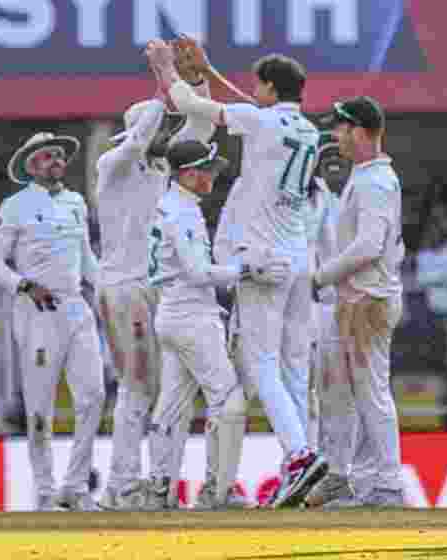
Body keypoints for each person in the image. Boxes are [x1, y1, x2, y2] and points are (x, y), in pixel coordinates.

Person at [144, 37, 327, 508]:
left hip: (260, 256)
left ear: (268, 86)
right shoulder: (305, 129)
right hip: (296, 257)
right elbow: (256, 111)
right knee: (289, 366)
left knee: (261, 364)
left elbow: (187, 102)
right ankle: (299, 460)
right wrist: (212, 68)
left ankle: (300, 456)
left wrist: (169, 69)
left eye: (256, 86)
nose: (252, 92)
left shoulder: (260, 121)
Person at [94, 59, 217, 510]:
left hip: (157, 288)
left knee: (170, 390)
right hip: (124, 287)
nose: (167, 135)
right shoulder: (113, 164)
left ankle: (158, 485)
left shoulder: (164, 169)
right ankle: (122, 486)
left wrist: (193, 79)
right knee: (136, 386)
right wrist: (163, 84)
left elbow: (201, 121)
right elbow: (146, 133)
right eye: (162, 125)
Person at [142, 140, 285, 509]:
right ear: (188, 173)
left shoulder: (170, 205)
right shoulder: (182, 213)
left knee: (171, 406)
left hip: (174, 315)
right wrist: (245, 271)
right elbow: (197, 272)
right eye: (207, 169)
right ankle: (218, 492)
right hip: (191, 318)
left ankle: (159, 488)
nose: (212, 176)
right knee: (230, 401)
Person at [0, 132, 106, 511]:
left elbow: (87, 259)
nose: (56, 160)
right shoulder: (15, 206)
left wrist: (107, 293)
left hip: (76, 308)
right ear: (31, 164)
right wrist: (23, 286)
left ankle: (75, 485)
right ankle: (44, 488)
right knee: (40, 405)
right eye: (48, 155)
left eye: (59, 155)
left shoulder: (76, 203)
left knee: (94, 396)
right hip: (37, 312)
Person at [307, 96, 407, 508]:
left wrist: (321, 275)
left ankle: (387, 484)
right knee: (340, 392)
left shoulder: (376, 182)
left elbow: (369, 245)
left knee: (371, 392)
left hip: (369, 299)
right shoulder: (364, 175)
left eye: (341, 128)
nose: (335, 135)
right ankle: (343, 475)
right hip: (354, 299)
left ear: (361, 132)